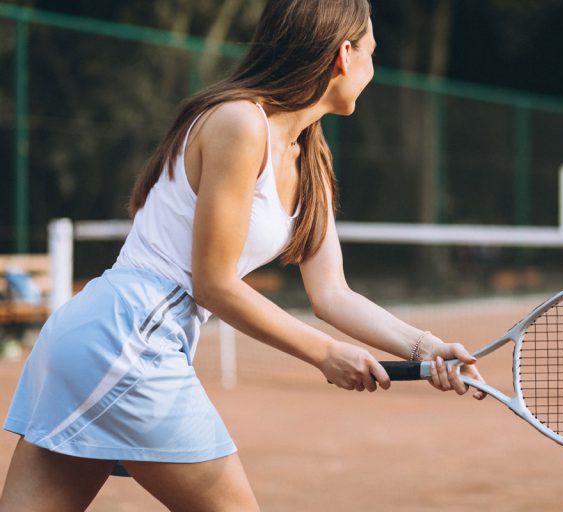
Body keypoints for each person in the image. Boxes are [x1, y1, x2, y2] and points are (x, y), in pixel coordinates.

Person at [0, 1, 485, 510]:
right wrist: (325, 353)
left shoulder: (311, 161)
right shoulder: (240, 123)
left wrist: (426, 348)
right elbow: (214, 285)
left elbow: (333, 294)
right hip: (127, 338)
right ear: (344, 55)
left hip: (110, 339)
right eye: (372, 53)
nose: (373, 69)